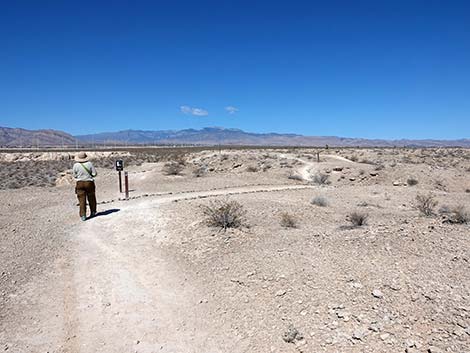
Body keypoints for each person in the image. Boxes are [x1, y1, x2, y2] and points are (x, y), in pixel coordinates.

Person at [73, 152, 98, 221]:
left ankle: (83, 215)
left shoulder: (75, 165)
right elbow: (94, 173)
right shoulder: (89, 164)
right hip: (89, 182)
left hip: (79, 183)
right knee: (91, 197)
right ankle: (93, 211)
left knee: (81, 200)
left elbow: (74, 175)